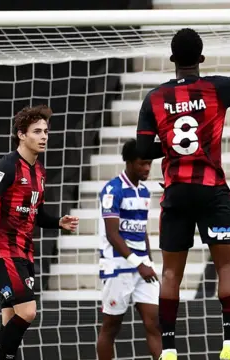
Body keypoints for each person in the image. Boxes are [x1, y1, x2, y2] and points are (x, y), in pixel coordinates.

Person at [135, 27, 230, 360]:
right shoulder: (218, 86)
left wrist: (170, 146)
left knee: (171, 273)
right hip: (212, 191)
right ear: (200, 58)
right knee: (226, 269)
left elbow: (142, 148)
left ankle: (168, 350)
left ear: (172, 60)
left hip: (176, 193)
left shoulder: (153, 98)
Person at [0, 105, 79, 360]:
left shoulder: (39, 172)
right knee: (28, 312)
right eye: (37, 131)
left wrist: (59, 222)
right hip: (3, 251)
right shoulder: (7, 166)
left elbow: (37, 215)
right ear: (21, 135)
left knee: (11, 319)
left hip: (26, 252)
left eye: (46, 131)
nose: (44, 136)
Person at [96, 139, 162, 360]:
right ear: (130, 162)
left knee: (154, 322)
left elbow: (141, 229)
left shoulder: (144, 192)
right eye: (142, 163)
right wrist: (139, 263)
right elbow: (113, 235)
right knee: (111, 326)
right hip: (117, 267)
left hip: (142, 266)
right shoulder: (112, 190)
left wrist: (149, 261)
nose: (146, 169)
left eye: (149, 164)